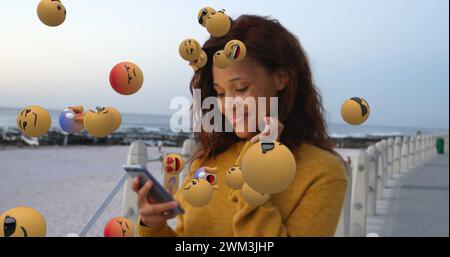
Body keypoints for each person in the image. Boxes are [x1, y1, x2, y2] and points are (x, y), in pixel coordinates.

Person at [132, 15, 347, 236]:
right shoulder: (209, 161)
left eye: (241, 88)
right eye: (220, 93)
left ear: (281, 78)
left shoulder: (323, 171)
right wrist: (153, 225)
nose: (228, 105)